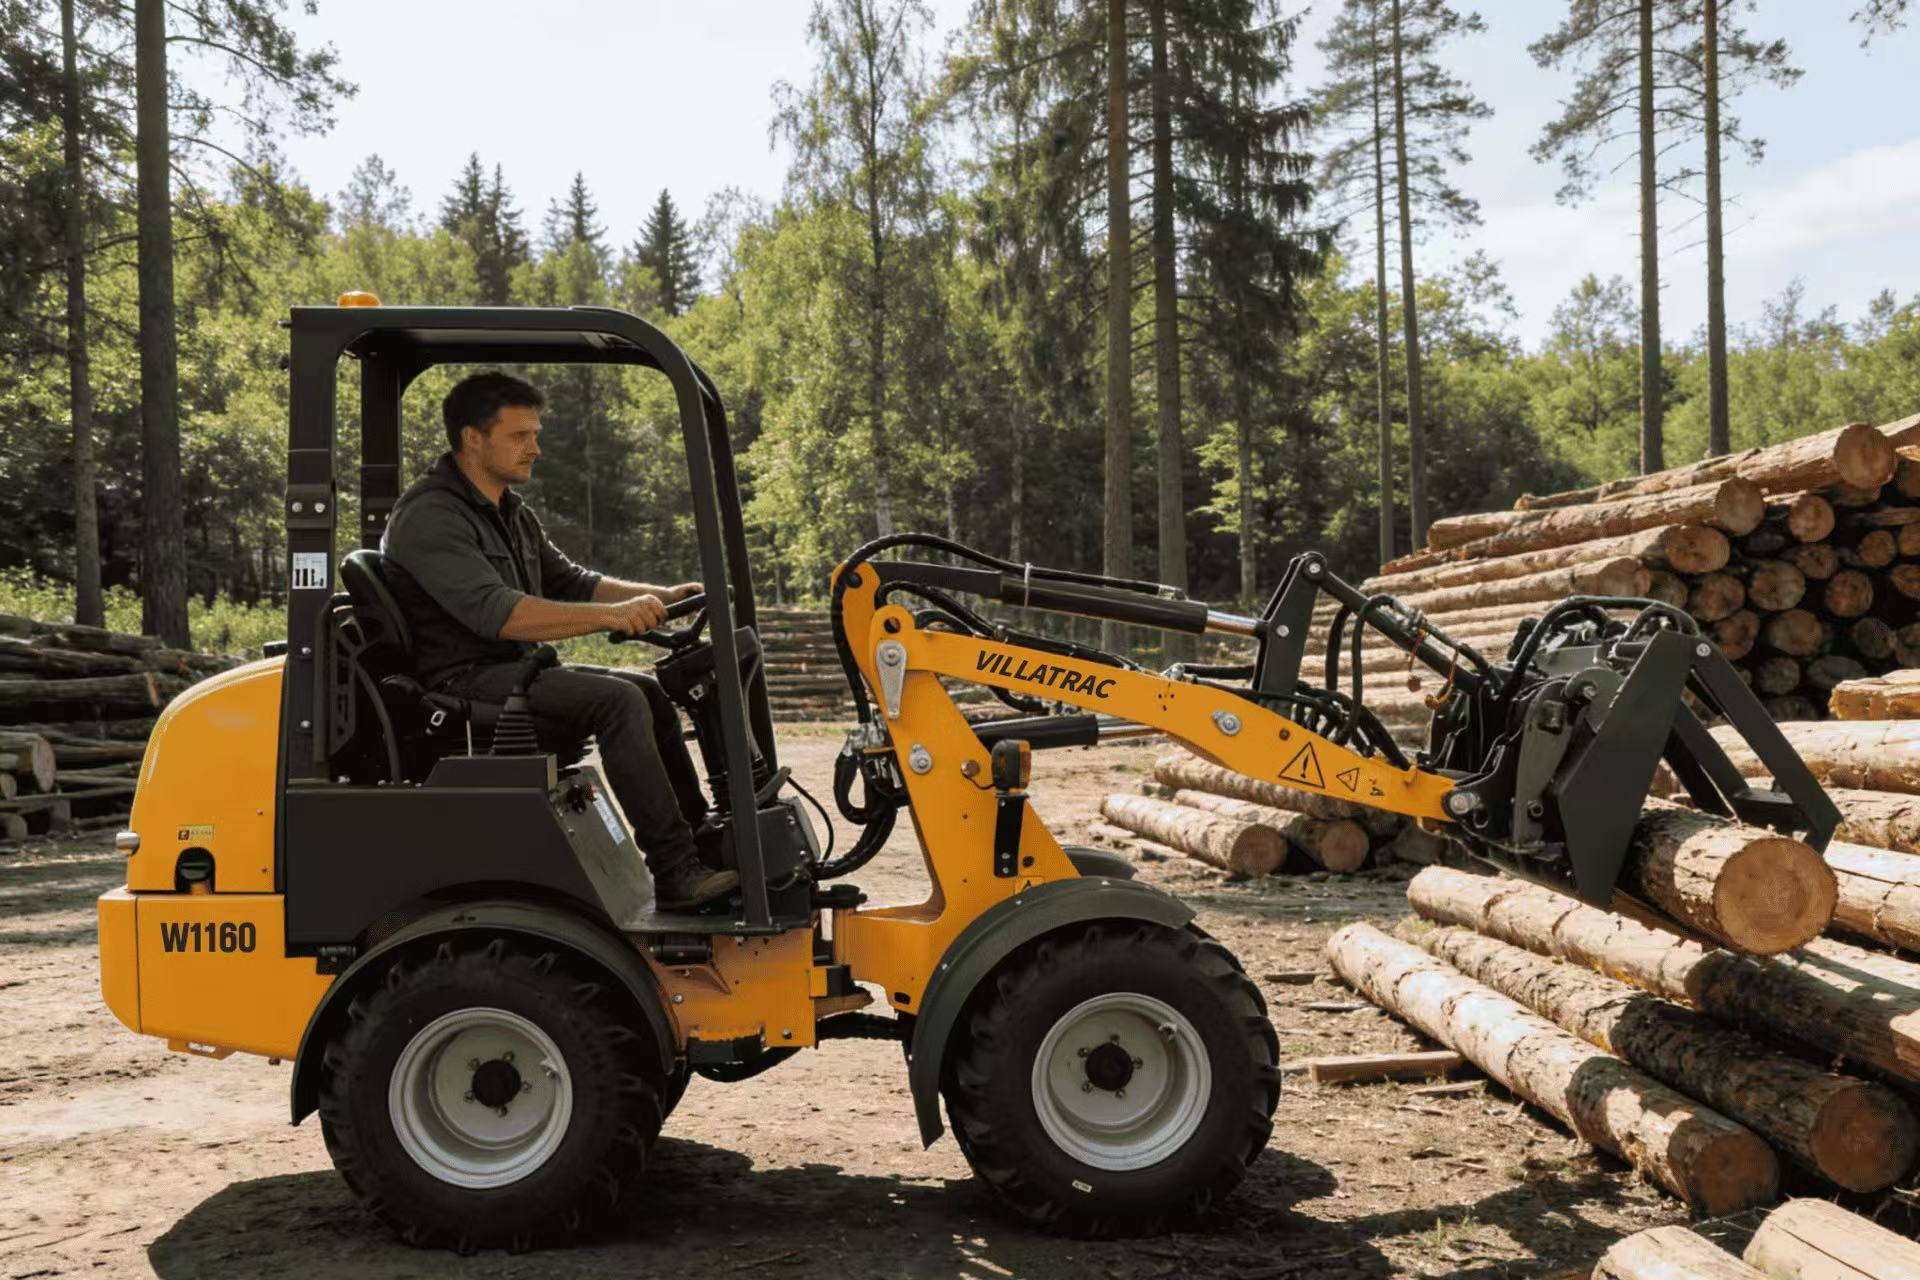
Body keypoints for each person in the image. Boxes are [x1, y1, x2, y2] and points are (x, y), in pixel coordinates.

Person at [380, 370, 737, 911]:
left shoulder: (507, 510)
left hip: (514, 672)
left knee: (647, 694)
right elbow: (499, 615)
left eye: (535, 433)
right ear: (472, 438)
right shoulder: (430, 517)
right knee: (615, 702)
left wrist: (661, 595)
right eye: (520, 436)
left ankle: (701, 841)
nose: (536, 448)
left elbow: (572, 581)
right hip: (463, 682)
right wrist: (612, 617)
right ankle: (674, 872)